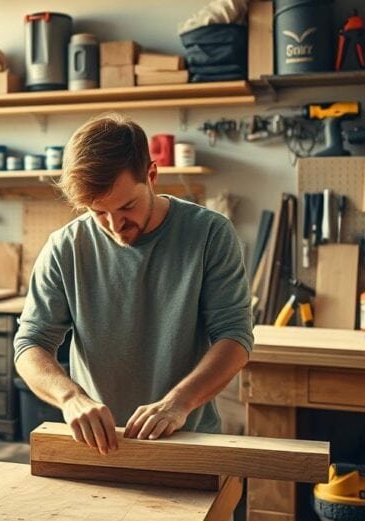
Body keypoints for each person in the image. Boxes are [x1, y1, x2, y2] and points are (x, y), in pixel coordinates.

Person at [13, 113, 253, 455]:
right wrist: (70, 398)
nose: (115, 225)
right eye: (98, 212)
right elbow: (30, 344)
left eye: (127, 206)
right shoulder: (65, 247)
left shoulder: (210, 234)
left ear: (152, 175)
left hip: (188, 442)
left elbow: (235, 338)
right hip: (98, 447)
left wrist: (177, 403)